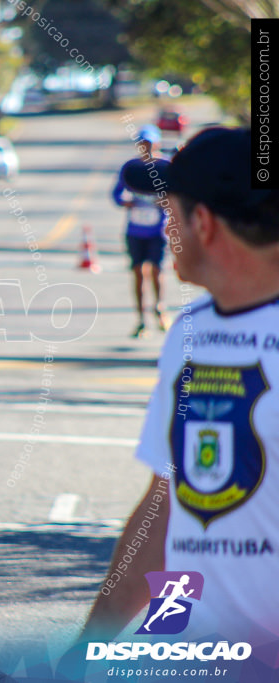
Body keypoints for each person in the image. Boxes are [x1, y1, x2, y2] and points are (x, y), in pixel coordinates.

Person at [80, 127, 279, 648]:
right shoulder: (190, 333)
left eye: (171, 211)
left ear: (205, 223)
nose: (165, 226)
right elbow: (167, 505)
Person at [112, 124, 169, 337]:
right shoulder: (131, 168)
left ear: (157, 143)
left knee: (156, 271)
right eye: (142, 144)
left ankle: (160, 309)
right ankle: (140, 318)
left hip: (157, 230)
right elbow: (117, 193)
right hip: (135, 230)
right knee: (138, 273)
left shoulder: (165, 167)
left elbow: (177, 194)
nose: (146, 147)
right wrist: (125, 202)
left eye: (149, 143)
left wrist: (165, 203)